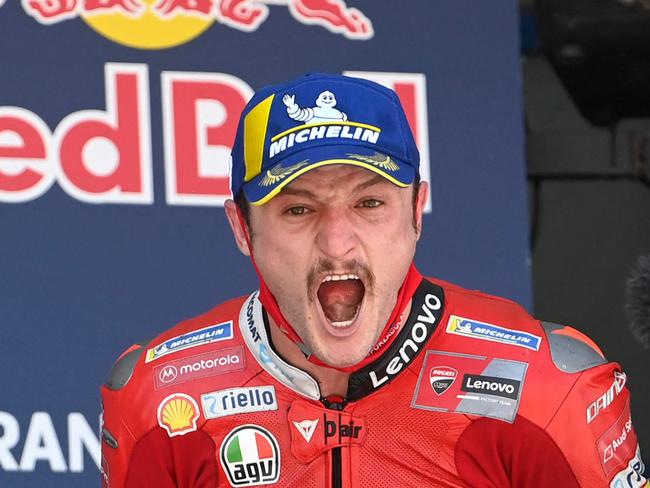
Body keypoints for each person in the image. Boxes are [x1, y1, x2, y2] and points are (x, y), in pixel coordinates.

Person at [100, 73, 647, 488]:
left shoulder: (549, 386)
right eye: (298, 210)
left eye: (369, 202)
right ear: (241, 228)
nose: (337, 244)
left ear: (418, 212)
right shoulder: (160, 399)